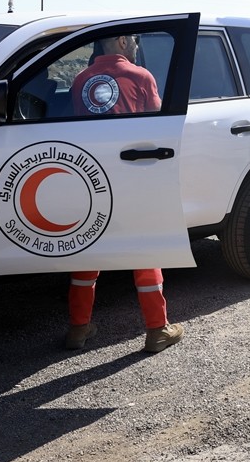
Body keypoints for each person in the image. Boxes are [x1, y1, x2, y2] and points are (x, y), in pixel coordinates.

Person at [64, 33, 184, 352]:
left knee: (87, 255)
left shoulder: (80, 80)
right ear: (121, 41)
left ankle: (78, 328)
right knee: (146, 255)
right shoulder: (141, 76)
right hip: (133, 180)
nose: (135, 45)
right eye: (133, 40)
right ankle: (157, 329)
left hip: (92, 181)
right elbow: (160, 128)